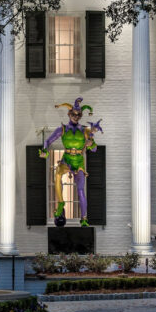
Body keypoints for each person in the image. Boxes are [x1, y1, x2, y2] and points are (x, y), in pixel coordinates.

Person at [39, 97, 101, 227]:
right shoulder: (62, 129)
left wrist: (91, 143)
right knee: (57, 174)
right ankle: (61, 202)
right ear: (69, 114)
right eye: (73, 114)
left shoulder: (85, 131)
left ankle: (84, 218)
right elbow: (47, 141)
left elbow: (94, 149)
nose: (76, 117)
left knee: (80, 190)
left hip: (78, 162)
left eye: (79, 115)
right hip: (66, 159)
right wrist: (44, 150)